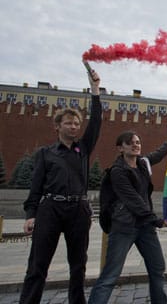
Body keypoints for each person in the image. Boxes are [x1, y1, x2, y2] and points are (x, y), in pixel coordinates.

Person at [20, 62, 102, 304]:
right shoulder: (46, 153)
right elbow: (35, 186)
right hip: (50, 210)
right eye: (69, 123)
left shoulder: (83, 148)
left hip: (78, 210)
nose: (74, 126)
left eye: (76, 123)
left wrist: (95, 90)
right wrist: (30, 214)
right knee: (37, 265)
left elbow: (96, 122)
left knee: (78, 266)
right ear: (57, 126)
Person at [88, 132, 167, 304]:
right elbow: (132, 199)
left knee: (157, 269)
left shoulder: (143, 164)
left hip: (145, 228)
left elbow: (161, 152)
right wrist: (155, 219)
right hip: (124, 227)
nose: (135, 145)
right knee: (110, 275)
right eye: (130, 143)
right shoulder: (117, 171)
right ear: (120, 148)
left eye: (138, 142)